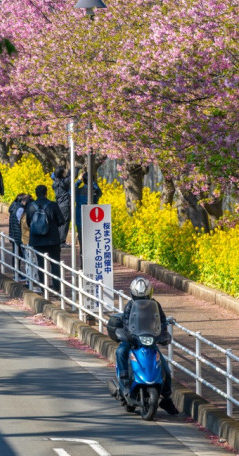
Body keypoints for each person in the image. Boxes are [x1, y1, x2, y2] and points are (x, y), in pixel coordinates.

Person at [114, 276, 179, 415]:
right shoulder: (130, 306)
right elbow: (126, 322)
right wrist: (128, 335)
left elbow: (161, 322)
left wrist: (162, 335)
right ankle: (125, 381)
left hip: (149, 340)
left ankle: (167, 398)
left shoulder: (155, 305)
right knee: (120, 351)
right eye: (138, 297)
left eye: (144, 296)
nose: (141, 299)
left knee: (166, 370)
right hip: (133, 340)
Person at [26, 184, 66, 293]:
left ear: (36, 193)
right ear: (46, 193)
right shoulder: (52, 205)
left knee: (41, 264)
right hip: (52, 240)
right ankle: (57, 287)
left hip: (37, 240)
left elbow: (28, 222)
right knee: (55, 263)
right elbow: (61, 221)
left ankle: (44, 287)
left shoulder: (30, 206)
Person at [74, 171, 103, 249]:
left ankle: (82, 256)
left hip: (80, 219)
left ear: (83, 180)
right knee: (93, 241)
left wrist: (79, 180)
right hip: (92, 219)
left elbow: (71, 191)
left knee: (82, 243)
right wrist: (92, 182)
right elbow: (100, 192)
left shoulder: (77, 191)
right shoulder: (94, 192)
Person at [8, 193, 31, 283]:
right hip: (19, 236)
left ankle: (17, 274)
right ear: (24, 201)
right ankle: (19, 275)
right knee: (22, 256)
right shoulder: (20, 209)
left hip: (13, 235)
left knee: (16, 255)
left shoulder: (13, 206)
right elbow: (21, 224)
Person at [51, 166, 72, 245]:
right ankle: (61, 241)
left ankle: (59, 239)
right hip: (65, 204)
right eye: (64, 171)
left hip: (59, 204)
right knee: (65, 222)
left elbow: (53, 175)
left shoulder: (55, 182)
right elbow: (73, 176)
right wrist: (75, 168)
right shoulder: (65, 182)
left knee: (60, 221)